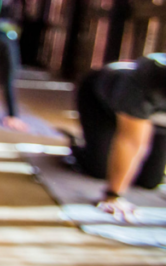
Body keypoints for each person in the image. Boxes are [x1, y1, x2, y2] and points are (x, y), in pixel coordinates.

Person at [68, 54, 166, 221]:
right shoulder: (144, 81)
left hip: (152, 114)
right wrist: (113, 196)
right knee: (100, 170)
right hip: (99, 99)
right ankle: (77, 147)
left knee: (150, 180)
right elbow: (131, 142)